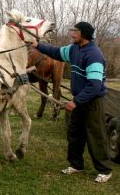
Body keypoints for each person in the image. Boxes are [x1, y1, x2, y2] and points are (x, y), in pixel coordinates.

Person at [32, 21, 112, 183]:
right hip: (80, 99)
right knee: (74, 134)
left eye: (74, 31)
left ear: (83, 34)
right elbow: (55, 52)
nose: (71, 34)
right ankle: (76, 165)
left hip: (92, 102)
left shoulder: (94, 55)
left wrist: (76, 102)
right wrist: (37, 45)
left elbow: (95, 85)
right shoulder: (74, 49)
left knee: (95, 135)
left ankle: (104, 170)